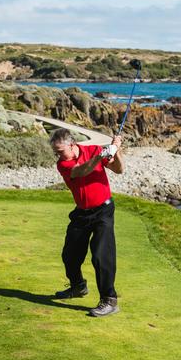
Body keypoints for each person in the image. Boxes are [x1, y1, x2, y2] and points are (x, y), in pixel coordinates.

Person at [50, 128, 124, 317]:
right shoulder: (63, 164)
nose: (57, 155)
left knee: (101, 256)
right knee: (70, 255)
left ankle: (109, 300)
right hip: (82, 213)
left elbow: (119, 169)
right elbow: (82, 171)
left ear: (72, 144)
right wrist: (101, 156)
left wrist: (117, 149)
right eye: (55, 151)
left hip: (103, 212)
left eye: (59, 150)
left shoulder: (92, 150)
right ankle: (78, 287)